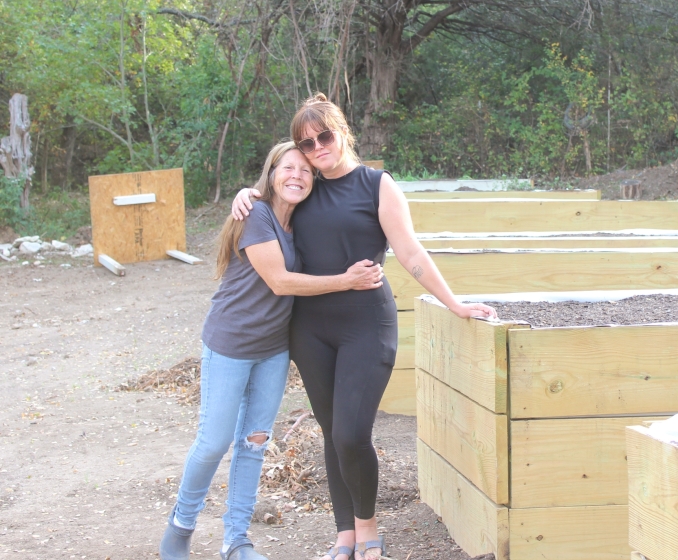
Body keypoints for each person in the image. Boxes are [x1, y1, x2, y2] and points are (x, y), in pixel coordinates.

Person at [231, 94, 496, 560]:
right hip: (310, 329)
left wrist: (453, 303)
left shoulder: (377, 184)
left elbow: (411, 253)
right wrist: (247, 193)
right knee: (332, 430)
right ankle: (344, 533)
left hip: (366, 325)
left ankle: (368, 524)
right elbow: (272, 200)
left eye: (324, 137)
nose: (316, 148)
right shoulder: (305, 185)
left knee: (351, 433)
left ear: (342, 132)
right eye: (306, 144)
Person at [160, 142, 385, 560]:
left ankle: (237, 541)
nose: (297, 175)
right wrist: (347, 280)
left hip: (273, 350)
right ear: (272, 173)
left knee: (254, 443)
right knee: (213, 442)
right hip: (230, 344)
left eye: (305, 169)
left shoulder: (300, 219)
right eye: (288, 167)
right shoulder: (257, 215)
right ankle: (180, 526)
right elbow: (280, 282)